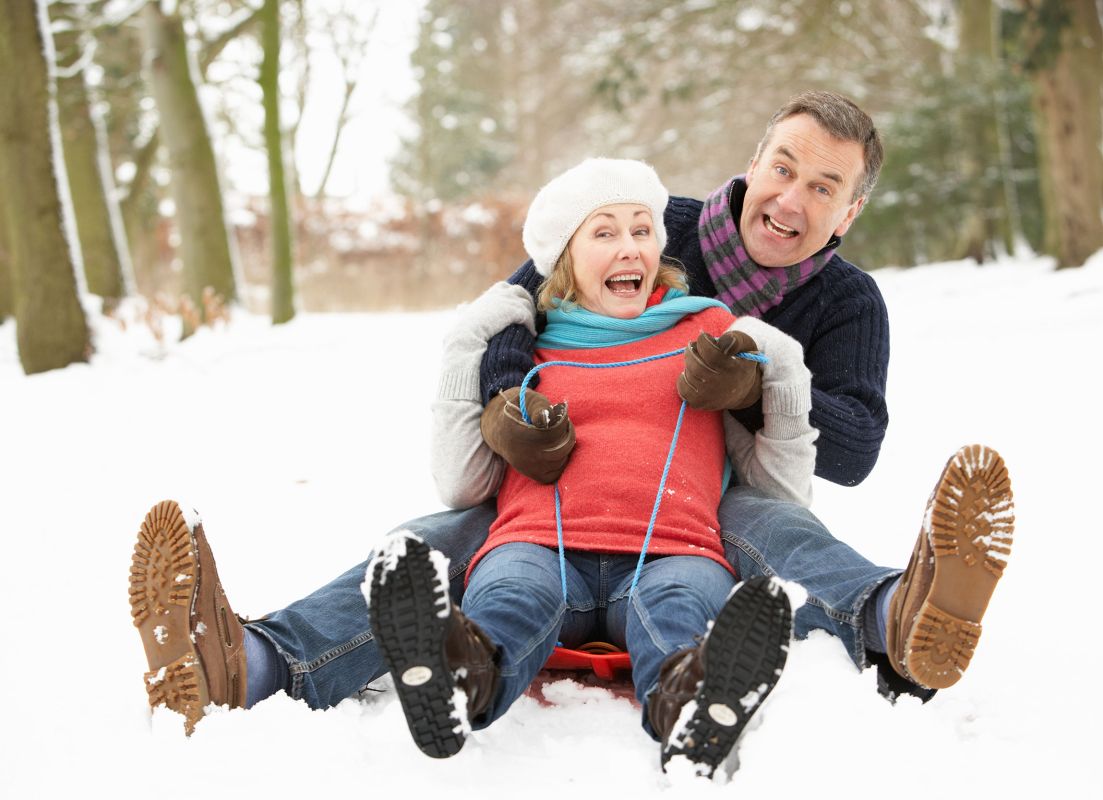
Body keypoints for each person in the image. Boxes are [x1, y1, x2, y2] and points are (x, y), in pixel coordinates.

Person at [127, 91, 1014, 735]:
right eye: (784, 167)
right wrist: (515, 402)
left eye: (825, 187)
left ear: (851, 210)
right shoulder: (642, 222)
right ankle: (254, 661)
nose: (792, 198)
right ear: (753, 164)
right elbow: (522, 302)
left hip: (704, 504)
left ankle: (888, 619)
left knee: (766, 525)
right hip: (552, 491)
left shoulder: (845, 304)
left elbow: (852, 450)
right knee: (443, 530)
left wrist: (758, 387)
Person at [365, 157, 813, 773]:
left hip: (674, 548)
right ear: (564, 258)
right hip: (538, 544)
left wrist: (780, 365)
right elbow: (461, 482)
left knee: (678, 609)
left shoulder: (707, 333)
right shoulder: (525, 347)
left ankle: (691, 709)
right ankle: (454, 679)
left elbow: (779, 493)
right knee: (512, 595)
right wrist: (466, 341)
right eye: (603, 232)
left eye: (641, 229)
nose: (629, 247)